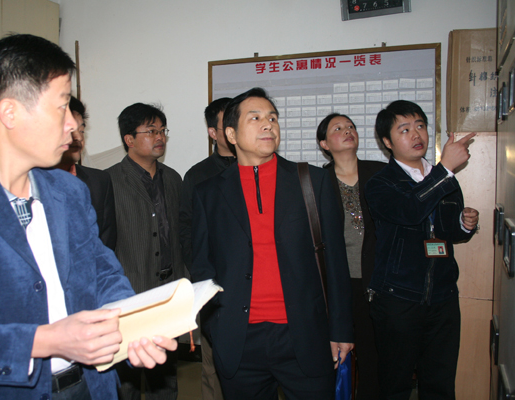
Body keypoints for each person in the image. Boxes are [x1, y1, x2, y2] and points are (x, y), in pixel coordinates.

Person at [0, 34, 177, 400]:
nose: (72, 124)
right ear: (10, 112)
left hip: (90, 386)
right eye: (62, 107)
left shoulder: (68, 191)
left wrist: (132, 326)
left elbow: (102, 273)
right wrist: (44, 340)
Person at [191, 87, 354, 400]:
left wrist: (341, 330)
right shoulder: (208, 193)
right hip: (239, 340)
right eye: (255, 118)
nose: (268, 124)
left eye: (273, 118)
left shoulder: (312, 181)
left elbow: (335, 261)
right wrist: (216, 327)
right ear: (231, 134)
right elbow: (202, 267)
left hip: (305, 335)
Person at [365, 100, 479, 400]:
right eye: (404, 130)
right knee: (395, 384)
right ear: (387, 142)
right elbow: (409, 211)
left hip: (443, 297)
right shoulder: (380, 183)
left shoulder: (446, 180)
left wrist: (464, 224)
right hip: (398, 298)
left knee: (440, 384)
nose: (416, 134)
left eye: (420, 126)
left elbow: (449, 231)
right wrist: (445, 170)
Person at [106, 103, 184, 400]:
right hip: (128, 293)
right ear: (129, 138)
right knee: (125, 382)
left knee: (164, 378)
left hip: (168, 293)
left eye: (162, 130)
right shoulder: (109, 181)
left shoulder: (173, 179)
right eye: (151, 131)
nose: (160, 137)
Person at [317, 113, 384, 399]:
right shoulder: (318, 181)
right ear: (324, 144)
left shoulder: (380, 173)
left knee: (374, 358)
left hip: (376, 281)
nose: (347, 131)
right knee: (336, 360)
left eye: (351, 127)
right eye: (338, 128)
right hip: (338, 284)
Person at [179, 97, 234, 400]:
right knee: (213, 365)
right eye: (228, 122)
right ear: (213, 132)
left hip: (258, 284)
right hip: (214, 283)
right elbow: (186, 229)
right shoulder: (198, 175)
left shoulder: (260, 167)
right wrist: (202, 277)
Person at [56, 96, 116, 251]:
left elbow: (106, 241)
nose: (78, 137)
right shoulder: (30, 181)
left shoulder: (100, 181)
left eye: (81, 130)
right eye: (70, 129)